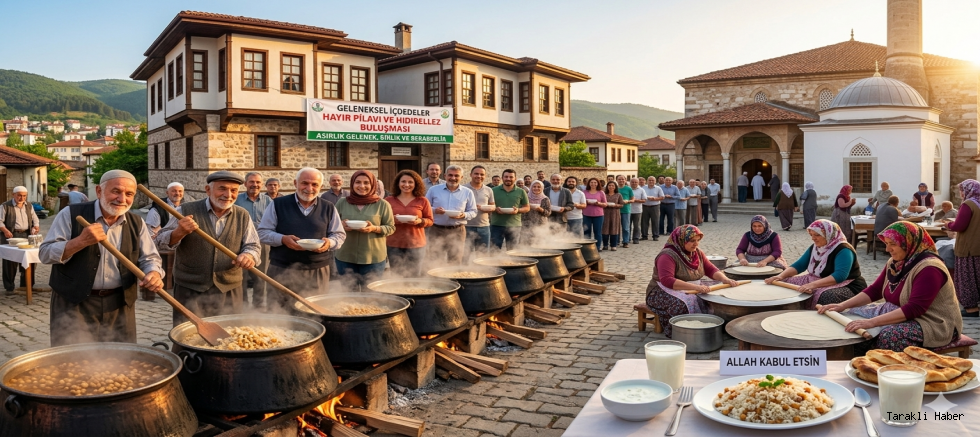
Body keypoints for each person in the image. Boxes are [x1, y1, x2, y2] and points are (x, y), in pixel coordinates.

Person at [40, 170, 164, 345]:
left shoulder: (137, 222)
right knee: (71, 362)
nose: (122, 199)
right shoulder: (71, 214)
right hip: (74, 303)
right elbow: (45, 254)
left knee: (120, 360)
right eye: (116, 191)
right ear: (99, 191)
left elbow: (150, 258)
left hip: (119, 304)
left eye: (129, 194)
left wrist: (154, 273)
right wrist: (80, 241)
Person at [819, 222, 962, 352]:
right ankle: (856, 360)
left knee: (890, 336)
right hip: (900, 311)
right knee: (850, 316)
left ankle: (887, 370)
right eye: (886, 243)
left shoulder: (930, 268)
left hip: (932, 322)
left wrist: (871, 322)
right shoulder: (895, 262)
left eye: (892, 244)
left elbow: (915, 308)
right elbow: (875, 290)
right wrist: (842, 306)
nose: (888, 249)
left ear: (908, 243)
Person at [157, 171, 260, 326]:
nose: (228, 195)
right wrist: (179, 232)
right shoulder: (185, 211)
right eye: (222, 188)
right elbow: (159, 242)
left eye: (234, 191)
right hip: (190, 288)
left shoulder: (242, 215)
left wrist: (249, 256)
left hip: (229, 288)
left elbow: (253, 245)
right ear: (207, 190)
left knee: (230, 335)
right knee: (189, 336)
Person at [258, 168, 345, 306]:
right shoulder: (278, 204)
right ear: (295, 183)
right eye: (304, 183)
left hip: (317, 270)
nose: (309, 188)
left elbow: (339, 234)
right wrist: (282, 239)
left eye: (315, 184)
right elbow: (262, 232)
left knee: (314, 311)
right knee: (279, 312)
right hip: (282, 269)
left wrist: (330, 243)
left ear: (321, 187)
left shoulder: (328, 207)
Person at [645, 225, 740, 337]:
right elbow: (667, 280)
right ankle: (682, 333)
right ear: (681, 240)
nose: (696, 244)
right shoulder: (667, 255)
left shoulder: (697, 253)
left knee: (716, 295)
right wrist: (696, 288)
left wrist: (725, 279)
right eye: (692, 241)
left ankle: (717, 326)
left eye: (697, 240)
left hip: (691, 286)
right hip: (662, 291)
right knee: (683, 303)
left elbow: (710, 269)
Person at [765, 220, 867, 307]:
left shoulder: (843, 250)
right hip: (817, 280)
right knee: (784, 284)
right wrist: (779, 276)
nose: (813, 238)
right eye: (811, 235)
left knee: (826, 296)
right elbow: (799, 265)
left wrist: (812, 285)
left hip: (847, 284)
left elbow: (840, 276)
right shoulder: (816, 247)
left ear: (828, 234)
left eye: (817, 235)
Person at [335, 171, 395, 289]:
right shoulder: (342, 202)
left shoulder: (382, 204)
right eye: (358, 182)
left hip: (373, 258)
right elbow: (332, 225)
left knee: (371, 294)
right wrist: (341, 226)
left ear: (373, 185)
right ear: (352, 184)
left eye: (366, 183)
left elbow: (391, 227)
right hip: (346, 256)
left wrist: (374, 228)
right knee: (348, 292)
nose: (362, 186)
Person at [385, 170, 433, 277]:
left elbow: (430, 220)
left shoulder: (422, 200)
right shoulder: (389, 200)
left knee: (414, 276)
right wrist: (393, 220)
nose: (406, 185)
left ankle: (413, 293)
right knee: (396, 275)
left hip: (416, 245)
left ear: (416, 184)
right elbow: (383, 221)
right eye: (403, 181)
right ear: (398, 183)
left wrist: (419, 221)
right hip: (393, 244)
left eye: (410, 182)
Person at [235, 172, 271, 309]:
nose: (254, 185)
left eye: (257, 182)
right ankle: (242, 306)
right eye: (251, 182)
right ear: (245, 184)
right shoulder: (237, 200)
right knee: (240, 277)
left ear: (261, 185)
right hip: (239, 243)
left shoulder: (268, 201)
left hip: (262, 243)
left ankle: (259, 307)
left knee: (261, 277)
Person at [426, 165, 477, 263]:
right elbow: (425, 207)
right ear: (445, 176)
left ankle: (453, 278)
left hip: (457, 230)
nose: (453, 178)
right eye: (450, 175)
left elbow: (473, 211)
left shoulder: (467, 192)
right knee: (435, 259)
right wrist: (434, 210)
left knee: (455, 259)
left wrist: (463, 215)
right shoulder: (433, 190)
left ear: (461, 177)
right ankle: (436, 279)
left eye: (456, 176)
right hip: (436, 229)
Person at [944, 179, 980, 317]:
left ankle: (971, 309)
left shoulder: (968, 204)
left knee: (968, 279)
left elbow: (959, 226)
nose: (960, 193)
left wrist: (948, 225)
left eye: (961, 190)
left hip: (969, 248)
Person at [1, 186, 40, 295]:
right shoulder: (5, 206)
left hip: (26, 235)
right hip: (11, 235)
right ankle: (9, 287)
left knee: (28, 260)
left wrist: (35, 227)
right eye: (19, 195)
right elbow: (0, 221)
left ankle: (26, 286)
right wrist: (4, 230)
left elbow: (35, 219)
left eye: (24, 196)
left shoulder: (29, 206)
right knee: (10, 261)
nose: (21, 198)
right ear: (13, 195)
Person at [490, 169, 529, 250]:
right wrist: (495, 209)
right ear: (502, 178)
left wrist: (518, 210)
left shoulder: (521, 191)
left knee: (513, 251)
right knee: (494, 250)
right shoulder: (493, 190)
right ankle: (495, 263)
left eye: (511, 177)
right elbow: (488, 206)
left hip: (514, 226)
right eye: (506, 177)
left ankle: (511, 263)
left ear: (515, 178)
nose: (508, 179)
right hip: (496, 225)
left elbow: (527, 208)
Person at [464, 165, 494, 258]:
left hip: (484, 227)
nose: (479, 176)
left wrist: (483, 208)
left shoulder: (489, 190)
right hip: (466, 226)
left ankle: (482, 272)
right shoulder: (463, 189)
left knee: (483, 256)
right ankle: (464, 272)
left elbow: (493, 206)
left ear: (485, 176)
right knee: (464, 255)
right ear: (470, 174)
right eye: (476, 174)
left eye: (482, 174)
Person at [601, 181, 625, 251]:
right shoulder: (604, 194)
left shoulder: (618, 195)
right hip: (605, 213)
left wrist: (615, 205)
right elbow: (601, 203)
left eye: (612, 185)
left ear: (615, 187)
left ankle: (613, 245)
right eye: (609, 185)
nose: (611, 187)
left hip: (615, 213)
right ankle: (605, 245)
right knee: (605, 229)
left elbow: (621, 204)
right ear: (607, 187)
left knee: (614, 229)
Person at [616, 175, 634, 247]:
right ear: (616, 180)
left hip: (626, 210)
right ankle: (616, 241)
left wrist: (628, 201)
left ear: (625, 180)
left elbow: (633, 199)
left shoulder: (628, 189)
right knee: (616, 227)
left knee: (626, 227)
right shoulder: (615, 188)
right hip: (616, 209)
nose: (621, 181)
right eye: (619, 179)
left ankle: (625, 241)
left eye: (622, 179)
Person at [629, 178, 647, 245]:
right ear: (630, 183)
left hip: (637, 210)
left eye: (635, 182)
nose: (634, 183)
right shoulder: (628, 189)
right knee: (628, 226)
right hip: (628, 210)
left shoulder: (641, 190)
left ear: (638, 183)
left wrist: (636, 200)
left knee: (636, 226)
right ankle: (627, 239)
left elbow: (644, 200)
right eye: (632, 182)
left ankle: (636, 238)